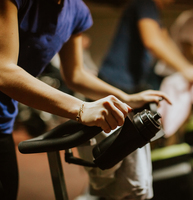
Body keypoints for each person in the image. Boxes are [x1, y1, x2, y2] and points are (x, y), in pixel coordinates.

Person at [0, 0, 171, 199]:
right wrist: (82, 109)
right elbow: (4, 71)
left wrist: (127, 98)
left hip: (4, 118)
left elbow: (75, 75)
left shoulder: (77, 10)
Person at [76, 0, 193, 199]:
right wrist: (186, 70)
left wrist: (188, 67)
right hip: (116, 82)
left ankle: (100, 193)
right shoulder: (145, 4)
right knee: (113, 151)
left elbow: (166, 41)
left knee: (123, 150)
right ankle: (92, 194)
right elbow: (153, 41)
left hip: (129, 85)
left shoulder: (154, 13)